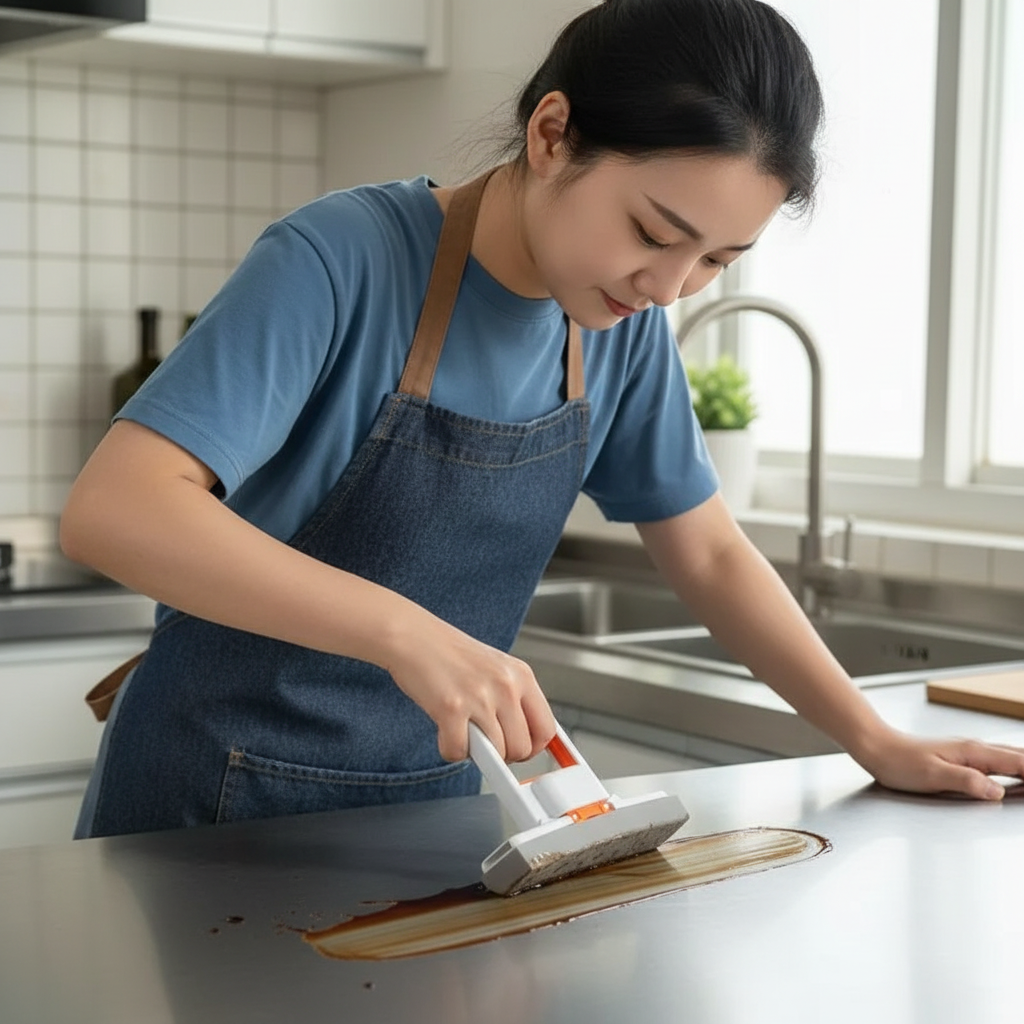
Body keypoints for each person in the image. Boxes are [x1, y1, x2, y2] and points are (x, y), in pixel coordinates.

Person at [63, 0, 1023, 839]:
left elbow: (710, 554)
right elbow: (118, 509)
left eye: (716, 263)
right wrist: (407, 632)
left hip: (425, 813)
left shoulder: (618, 325)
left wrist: (872, 738)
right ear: (553, 134)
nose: (669, 288)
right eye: (654, 233)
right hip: (208, 814)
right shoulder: (340, 259)